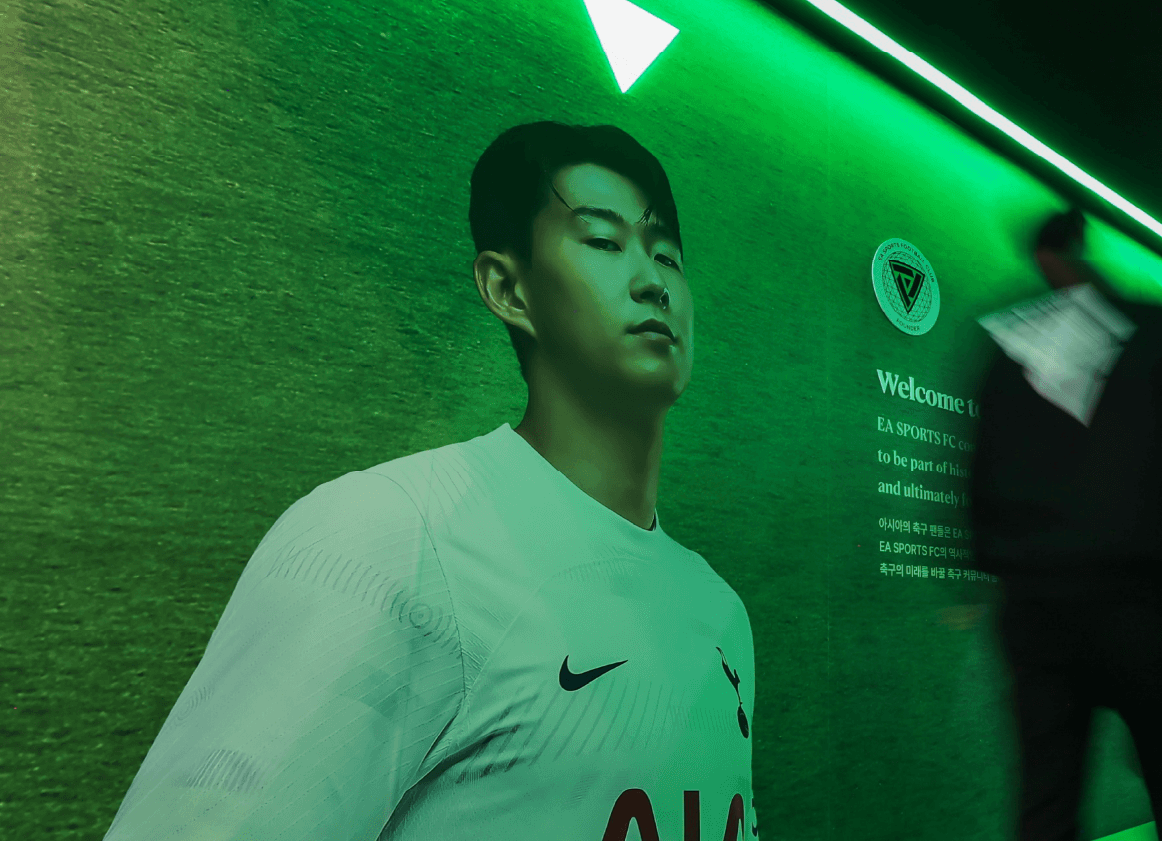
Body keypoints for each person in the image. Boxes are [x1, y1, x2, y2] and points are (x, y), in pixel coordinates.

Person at [104, 122, 762, 839]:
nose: (653, 281)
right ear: (507, 288)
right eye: (603, 242)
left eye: (666, 255)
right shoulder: (388, 539)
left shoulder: (719, 611)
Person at [969, 209, 1162, 841]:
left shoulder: (1002, 343)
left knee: (1048, 790)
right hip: (1135, 596)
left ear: (1039, 257)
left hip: (1033, 606)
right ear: (1085, 249)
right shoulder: (1151, 326)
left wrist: (984, 572)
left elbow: (976, 471)